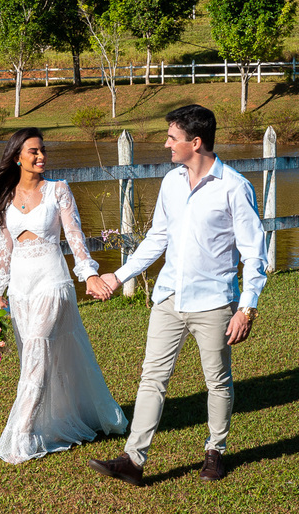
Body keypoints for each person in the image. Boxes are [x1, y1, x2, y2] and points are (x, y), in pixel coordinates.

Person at [88, 104, 267, 486]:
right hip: (168, 298)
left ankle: (215, 452)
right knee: (152, 378)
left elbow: (255, 254)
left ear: (196, 142)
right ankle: (133, 461)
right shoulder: (171, 182)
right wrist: (118, 277)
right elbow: (157, 239)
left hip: (214, 303)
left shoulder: (235, 187)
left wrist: (246, 309)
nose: (167, 144)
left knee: (217, 380)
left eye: (173, 138)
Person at [0, 127, 128, 464]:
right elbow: (3, 249)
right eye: (33, 151)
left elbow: (76, 238)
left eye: (43, 150)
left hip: (53, 282)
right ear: (17, 156)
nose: (41, 156)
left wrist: (88, 274)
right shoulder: (5, 199)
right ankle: (72, 413)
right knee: (32, 355)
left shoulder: (58, 191)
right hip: (21, 289)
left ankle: (21, 433)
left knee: (38, 350)